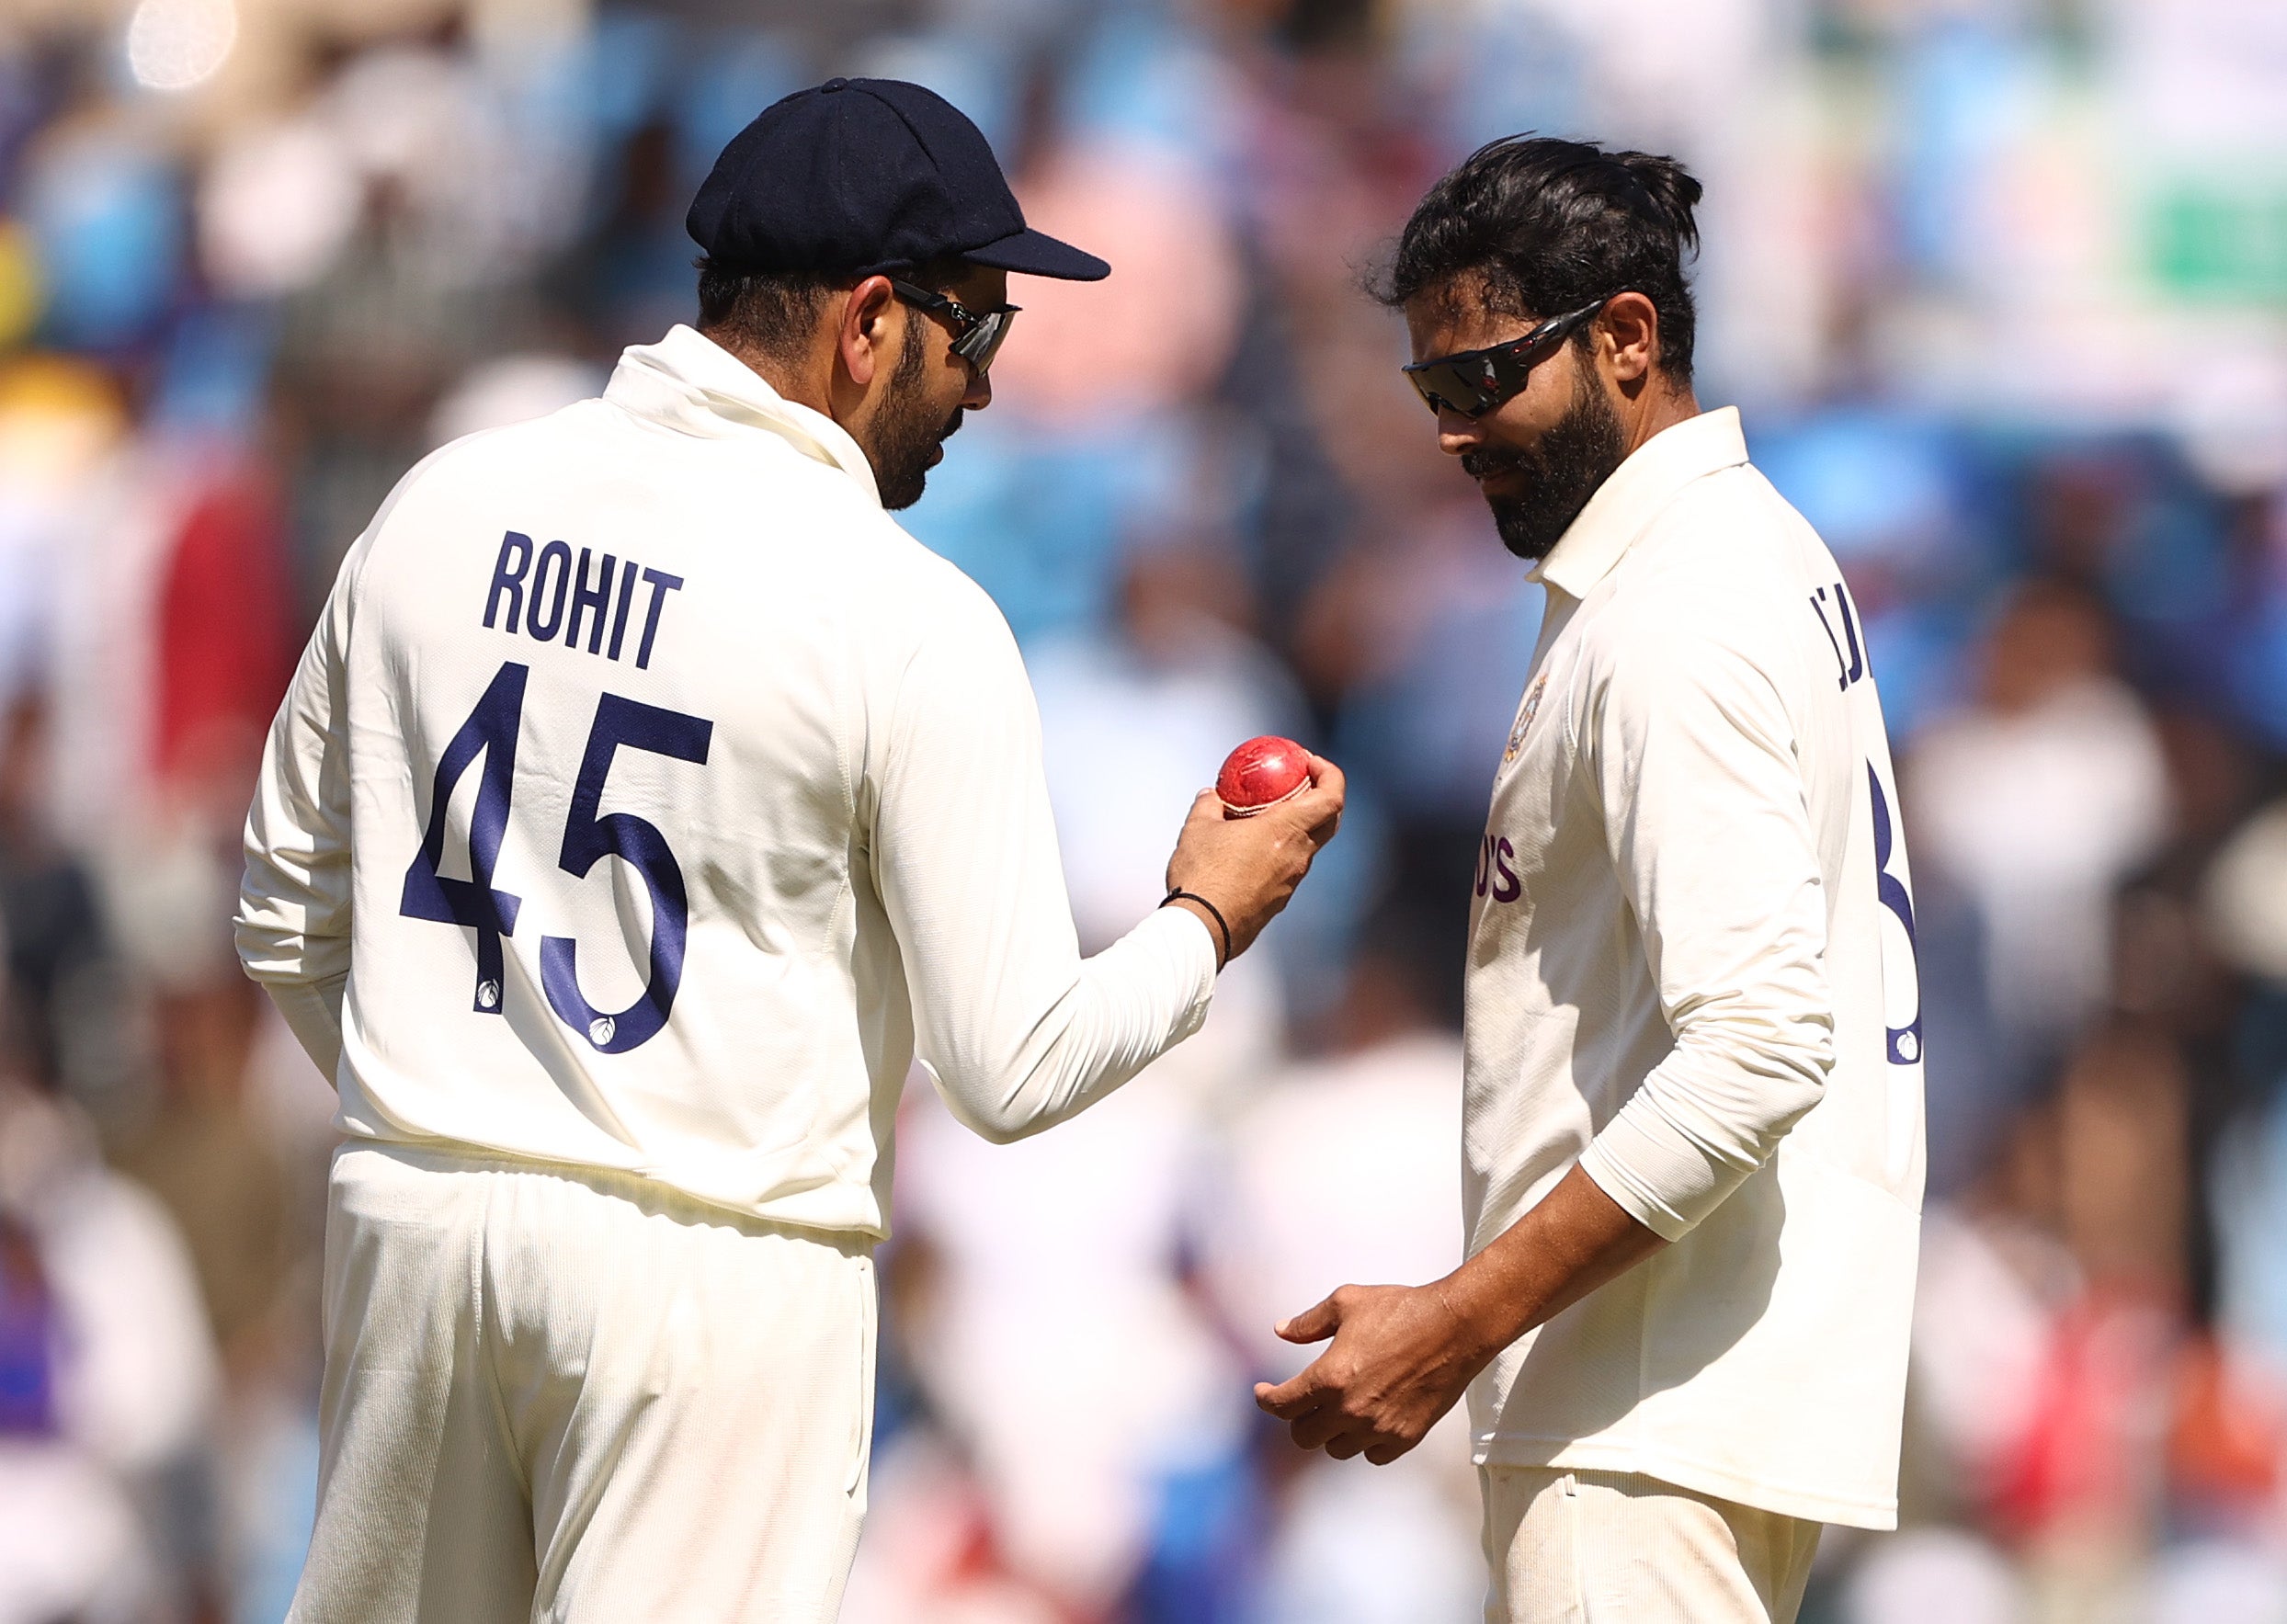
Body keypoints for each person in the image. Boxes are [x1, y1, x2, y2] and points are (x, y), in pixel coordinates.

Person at [234, 77, 1343, 1623]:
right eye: (983, 331)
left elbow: (289, 915)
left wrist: (455, 1108)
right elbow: (1012, 1070)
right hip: (715, 1269)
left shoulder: (443, 499)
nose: (988, 391)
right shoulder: (903, 615)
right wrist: (1203, 921)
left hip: (417, 1216)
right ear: (873, 320)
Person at [1253, 136, 1924, 1623]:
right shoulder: (1744, 552)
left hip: (1637, 1424)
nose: (1450, 430)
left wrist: (1456, 1323)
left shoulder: (1672, 611)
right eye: (1430, 391)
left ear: (1627, 338)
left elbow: (1757, 1051)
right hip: (1698, 1397)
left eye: (1484, 379)